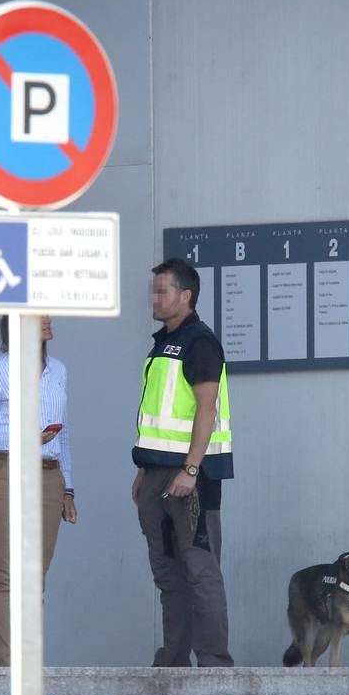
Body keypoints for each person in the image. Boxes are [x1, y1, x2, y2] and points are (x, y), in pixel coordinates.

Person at [132, 258, 234, 667]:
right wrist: (143, 471)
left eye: (162, 291)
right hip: (157, 474)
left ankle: (213, 663)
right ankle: (172, 662)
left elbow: (206, 410)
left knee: (200, 571)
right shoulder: (162, 344)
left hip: (192, 477)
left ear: (185, 296)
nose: (154, 298)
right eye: (154, 290)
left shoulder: (200, 342)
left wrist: (191, 469)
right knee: (168, 574)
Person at [0, 315, 77, 666]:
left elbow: (64, 434)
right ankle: (6, 671)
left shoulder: (57, 370)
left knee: (34, 578)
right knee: (6, 575)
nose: (48, 320)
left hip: (48, 475)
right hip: (5, 472)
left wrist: (69, 488)